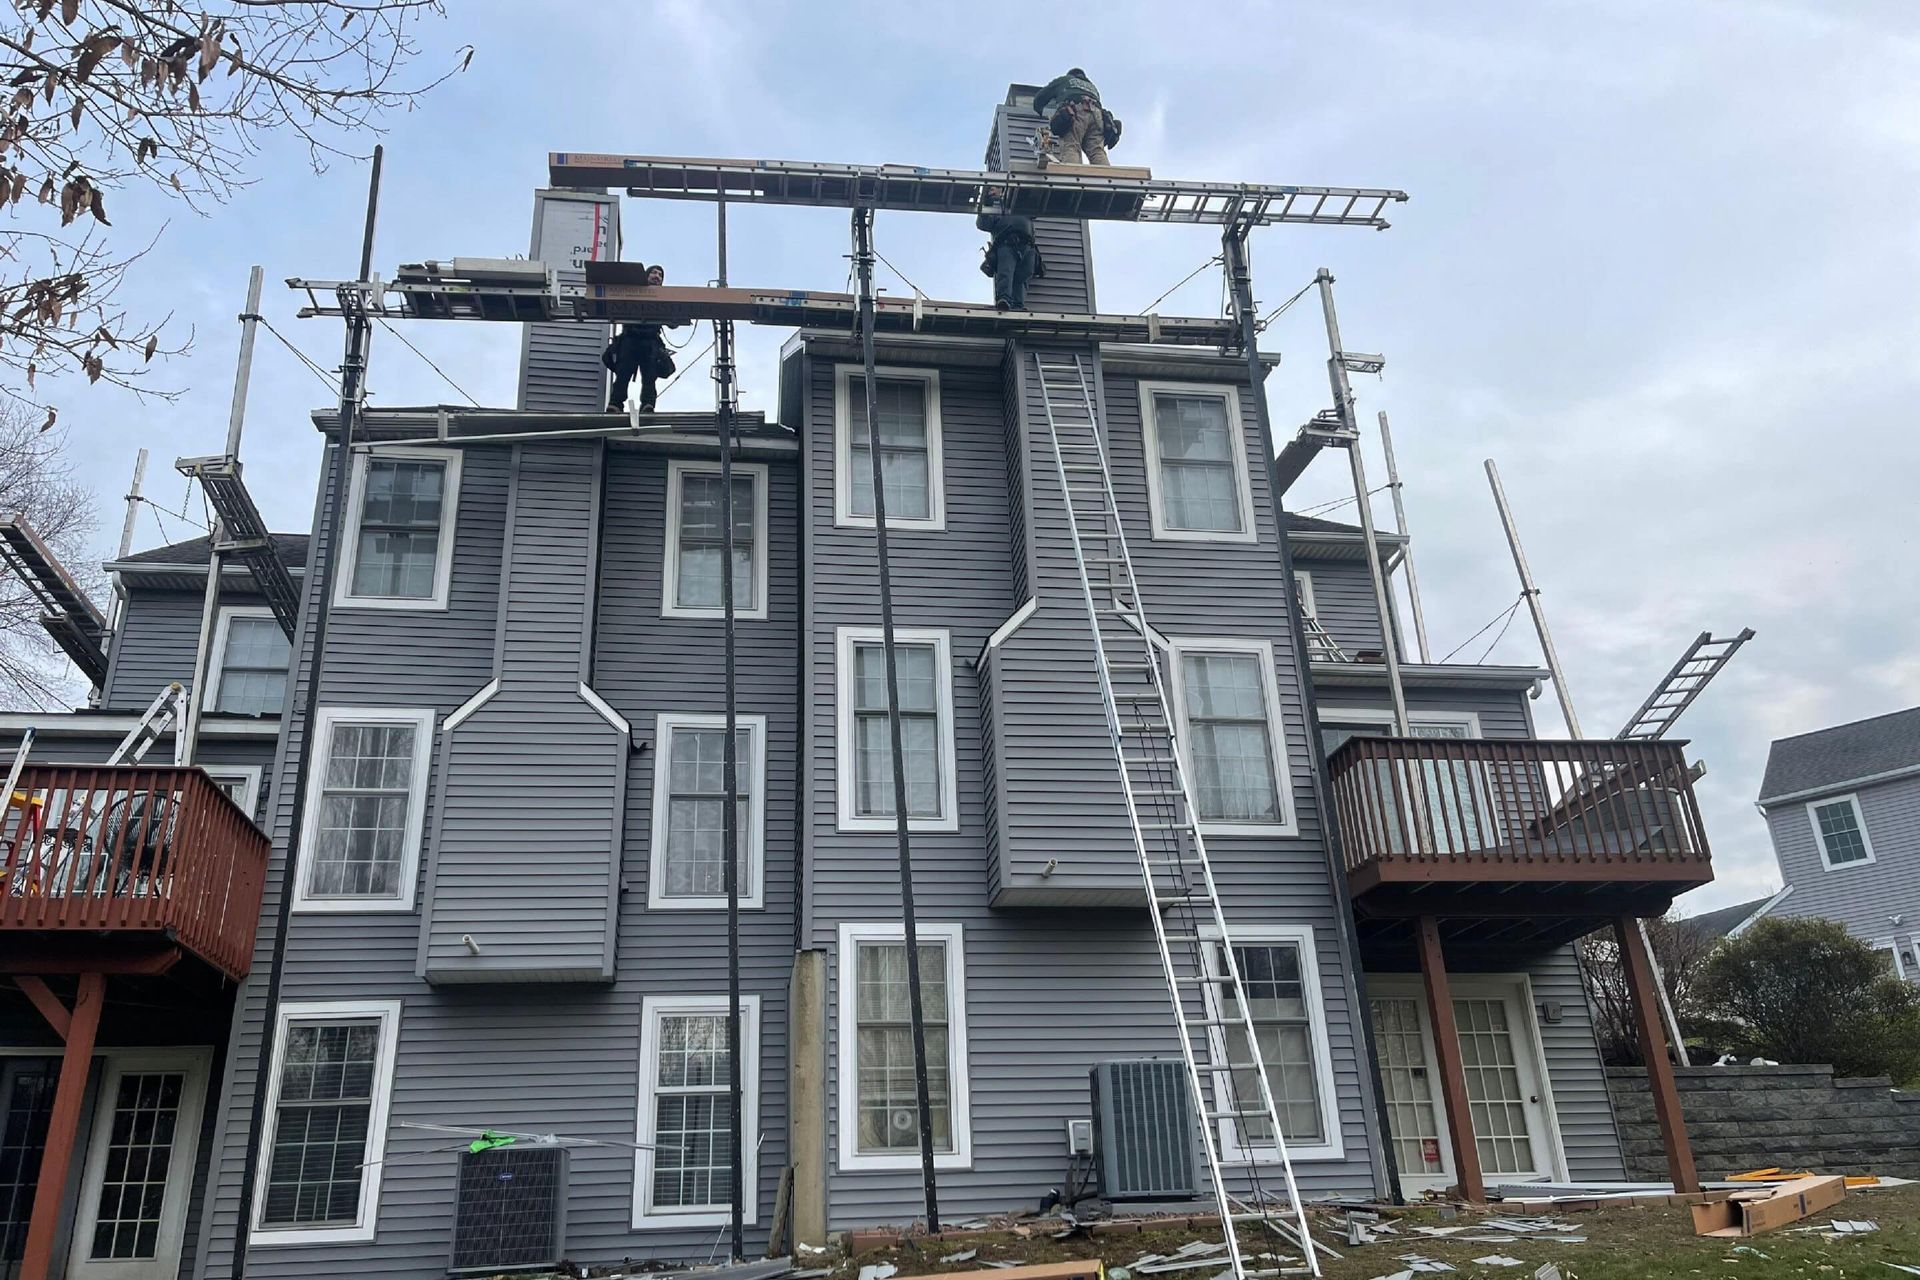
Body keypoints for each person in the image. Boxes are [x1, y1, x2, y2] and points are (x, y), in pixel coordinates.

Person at [601, 264, 686, 413]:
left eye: (660, 275)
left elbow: (673, 324)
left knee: (649, 377)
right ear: (646, 277)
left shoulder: (663, 298)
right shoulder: (632, 293)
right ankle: (615, 404)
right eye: (654, 273)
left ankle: (647, 405)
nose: (657, 276)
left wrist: (677, 313)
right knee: (623, 374)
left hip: (650, 342)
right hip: (630, 339)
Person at [1033, 68, 1115, 166]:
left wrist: (1039, 109)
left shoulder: (1064, 80)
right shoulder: (1093, 87)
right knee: (1096, 150)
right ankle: (1105, 177)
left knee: (1071, 145)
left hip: (1075, 111)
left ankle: (1072, 176)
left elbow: (1041, 96)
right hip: (1097, 116)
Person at [976, 195, 1045, 310]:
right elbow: (982, 224)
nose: (994, 190)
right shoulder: (995, 211)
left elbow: (1036, 208)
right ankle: (1004, 299)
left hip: (1027, 246)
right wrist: (986, 204)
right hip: (1006, 245)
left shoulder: (1022, 206)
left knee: (1023, 276)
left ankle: (1018, 305)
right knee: (1005, 272)